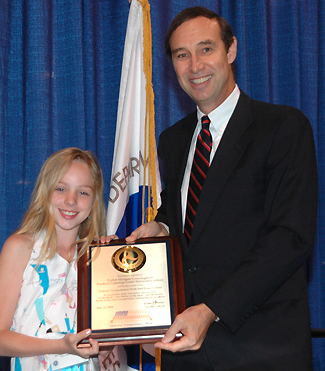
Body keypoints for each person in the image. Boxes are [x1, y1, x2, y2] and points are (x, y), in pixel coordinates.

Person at [126, 6, 318, 371]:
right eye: (182, 55)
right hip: (187, 351)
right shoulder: (174, 140)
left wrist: (210, 311)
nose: (195, 65)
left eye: (206, 49)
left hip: (262, 348)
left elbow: (289, 237)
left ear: (230, 51)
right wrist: (161, 226)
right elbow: (183, 211)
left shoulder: (283, 128)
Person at [0, 147, 113, 371]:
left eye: (83, 192)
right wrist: (62, 345)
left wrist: (117, 265)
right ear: (45, 193)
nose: (70, 201)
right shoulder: (21, 248)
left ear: (93, 204)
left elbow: (106, 344)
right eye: (61, 189)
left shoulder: (98, 257)